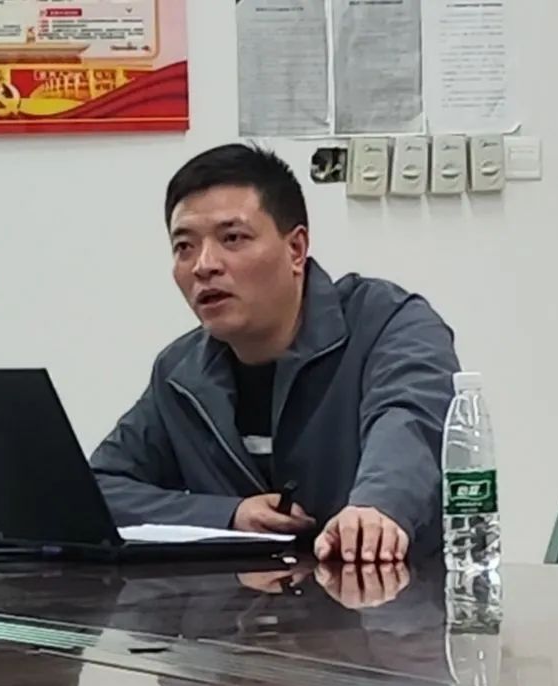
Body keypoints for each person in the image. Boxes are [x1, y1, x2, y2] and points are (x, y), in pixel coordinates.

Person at [90, 143, 459, 563]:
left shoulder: (388, 323)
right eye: (184, 247)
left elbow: (410, 423)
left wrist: (377, 507)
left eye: (232, 238)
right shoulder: (180, 374)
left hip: (387, 595)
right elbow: (99, 489)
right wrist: (228, 515)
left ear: (295, 249)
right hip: (238, 604)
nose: (204, 265)